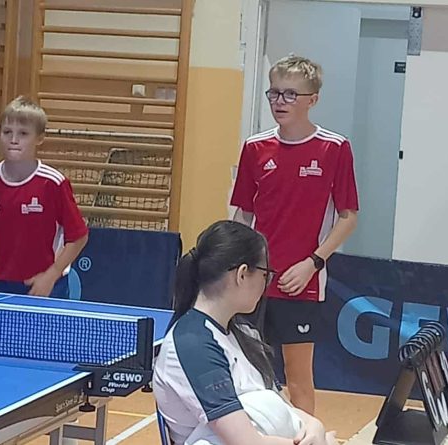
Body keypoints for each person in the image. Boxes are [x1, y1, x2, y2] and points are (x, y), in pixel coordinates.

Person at [230, 54, 359, 415]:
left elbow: (348, 217)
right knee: (248, 375)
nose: (279, 102)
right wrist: (236, 266)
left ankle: (306, 436)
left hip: (301, 283)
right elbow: (243, 214)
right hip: (254, 281)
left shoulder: (334, 148)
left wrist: (312, 264)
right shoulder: (255, 147)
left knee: (298, 380)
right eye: (274, 93)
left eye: (290, 94)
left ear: (312, 100)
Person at [153, 220, 337, 445]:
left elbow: (283, 406)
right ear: (241, 275)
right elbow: (246, 442)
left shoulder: (246, 334)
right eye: (265, 274)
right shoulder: (193, 346)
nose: (266, 284)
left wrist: (315, 426)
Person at [0, 96, 88, 298]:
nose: (13, 139)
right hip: (3, 282)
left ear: (39, 139)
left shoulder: (53, 183)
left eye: (23, 133)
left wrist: (51, 276)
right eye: (7, 132)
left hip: (48, 285)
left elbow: (78, 236)